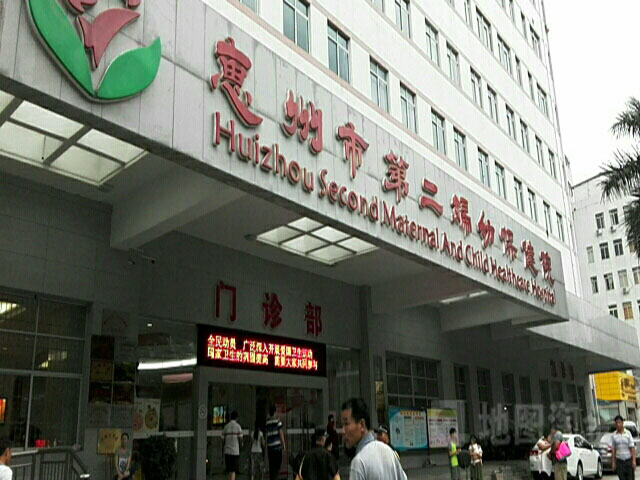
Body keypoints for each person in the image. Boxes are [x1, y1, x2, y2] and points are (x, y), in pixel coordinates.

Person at [341, 397, 406, 480]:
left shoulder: (359, 462)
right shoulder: (389, 451)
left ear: (362, 424)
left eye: (346, 424)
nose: (342, 431)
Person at [612, 415, 636, 480]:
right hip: (619, 461)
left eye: (619, 422)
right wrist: (613, 462)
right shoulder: (614, 435)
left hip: (628, 460)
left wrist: (634, 461)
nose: (618, 424)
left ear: (622, 423)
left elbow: (632, 447)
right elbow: (613, 449)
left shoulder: (628, 433)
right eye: (616, 423)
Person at [266, 405, 286, 480]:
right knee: (277, 466)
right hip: (277, 447)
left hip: (270, 448)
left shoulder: (267, 422)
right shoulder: (277, 421)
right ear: (275, 412)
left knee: (271, 467)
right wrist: (283, 444)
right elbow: (280, 433)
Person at [223, 410, 243, 480]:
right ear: (237, 418)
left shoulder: (226, 427)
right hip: (235, 451)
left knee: (229, 470)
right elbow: (240, 439)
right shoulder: (238, 427)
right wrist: (241, 445)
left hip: (227, 451)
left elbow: (223, 439)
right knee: (233, 471)